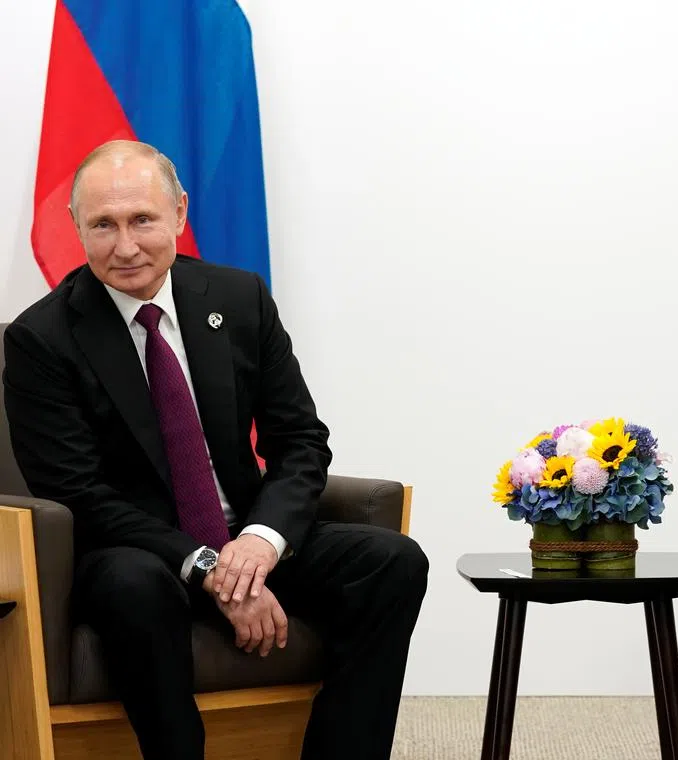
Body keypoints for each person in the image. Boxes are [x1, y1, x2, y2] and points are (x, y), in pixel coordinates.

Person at [3, 140, 428, 760]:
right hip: (135, 548)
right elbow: (78, 494)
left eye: (142, 219)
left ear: (179, 213)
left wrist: (259, 542)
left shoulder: (238, 298)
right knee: (132, 584)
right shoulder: (41, 340)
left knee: (392, 561)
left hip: (243, 531)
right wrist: (210, 569)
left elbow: (301, 440)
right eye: (103, 225)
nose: (125, 246)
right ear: (77, 228)